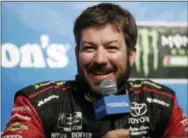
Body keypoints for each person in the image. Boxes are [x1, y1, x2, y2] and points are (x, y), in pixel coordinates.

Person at [2, 3, 188, 138]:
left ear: (131, 54)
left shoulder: (160, 102)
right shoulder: (38, 103)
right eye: (89, 48)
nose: (99, 59)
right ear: (77, 53)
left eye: (112, 48)